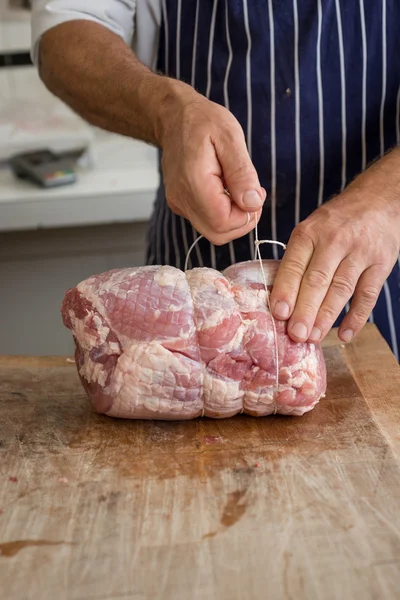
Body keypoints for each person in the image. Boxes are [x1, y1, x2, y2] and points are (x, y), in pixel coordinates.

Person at [31, 1, 400, 359]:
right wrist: (166, 111)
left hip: (382, 274)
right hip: (188, 303)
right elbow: (65, 30)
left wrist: (388, 199)